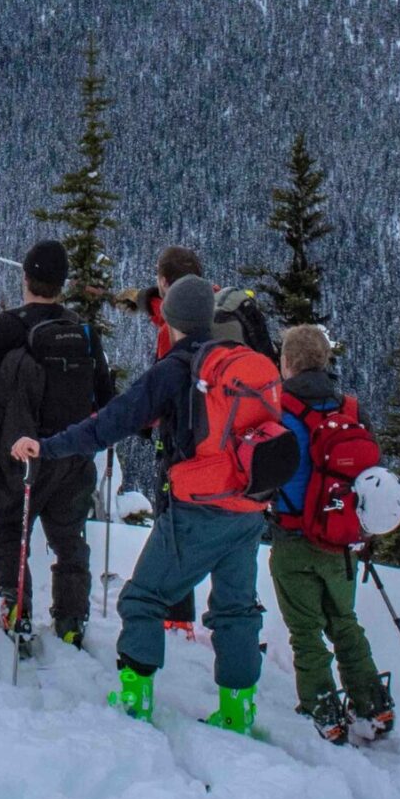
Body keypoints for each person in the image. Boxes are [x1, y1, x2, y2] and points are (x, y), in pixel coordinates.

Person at [11, 276, 271, 732]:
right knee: (237, 609)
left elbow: (111, 422)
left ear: (169, 320)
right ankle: (238, 709)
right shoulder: (243, 361)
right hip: (248, 507)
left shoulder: (177, 369)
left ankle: (135, 699)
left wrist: (48, 447)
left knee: (143, 598)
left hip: (198, 511)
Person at [116, 246, 279, 638]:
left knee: (173, 525)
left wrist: (140, 419)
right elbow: (166, 307)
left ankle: (175, 613)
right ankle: (236, 632)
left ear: (164, 281)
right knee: (236, 550)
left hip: (193, 450)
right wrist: (142, 299)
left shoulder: (170, 333)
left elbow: (166, 382)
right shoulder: (223, 305)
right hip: (245, 454)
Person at [0, 239, 113, 648]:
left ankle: (15, 606)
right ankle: (70, 619)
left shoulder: (10, 326)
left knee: (11, 528)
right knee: (68, 536)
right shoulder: (82, 330)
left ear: (25, 277)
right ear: (62, 283)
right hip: (72, 453)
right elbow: (107, 396)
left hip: (19, 453)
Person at [268, 324, 395, 744]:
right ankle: (373, 705)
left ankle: (324, 712)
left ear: (286, 363)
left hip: (291, 537)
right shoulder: (352, 410)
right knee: (344, 622)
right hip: (341, 542)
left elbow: (261, 472)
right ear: (324, 361)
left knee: (305, 633)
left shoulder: (277, 407)